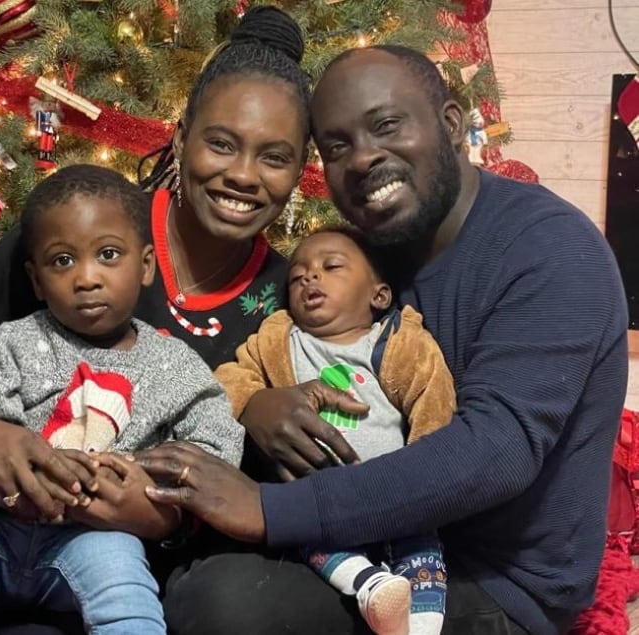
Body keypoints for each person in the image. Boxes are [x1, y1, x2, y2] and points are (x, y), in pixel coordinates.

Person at [0, 6, 327, 635]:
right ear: (182, 134)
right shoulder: (85, 225)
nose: (243, 174)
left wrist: (162, 517)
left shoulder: (289, 296)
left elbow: (238, 468)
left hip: (112, 558)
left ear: (301, 169)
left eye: (275, 157)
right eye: (220, 142)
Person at [137, 44, 630, 635]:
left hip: (496, 581)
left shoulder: (551, 251)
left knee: (218, 602)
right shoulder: (374, 252)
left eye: (386, 125)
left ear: (450, 125)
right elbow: (275, 359)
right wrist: (255, 406)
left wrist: (265, 511)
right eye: (337, 146)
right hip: (368, 546)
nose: (364, 158)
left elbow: (496, 452)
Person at [0, 164, 245, 635]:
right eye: (63, 261)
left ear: (144, 266)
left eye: (108, 254)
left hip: (89, 540)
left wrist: (157, 493)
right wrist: (35, 479)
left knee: (123, 574)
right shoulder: (13, 342)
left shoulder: (175, 366)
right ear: (36, 281)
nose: (87, 278)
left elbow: (216, 446)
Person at [214, 225, 454, 635]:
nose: (309, 276)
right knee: (311, 541)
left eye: (331, 266)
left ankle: (423, 624)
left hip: (394, 495)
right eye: (298, 275)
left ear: (378, 294)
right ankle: (369, 586)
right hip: (317, 497)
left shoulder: (396, 341)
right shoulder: (279, 341)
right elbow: (228, 382)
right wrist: (254, 401)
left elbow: (434, 404)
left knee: (423, 554)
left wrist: (423, 481)